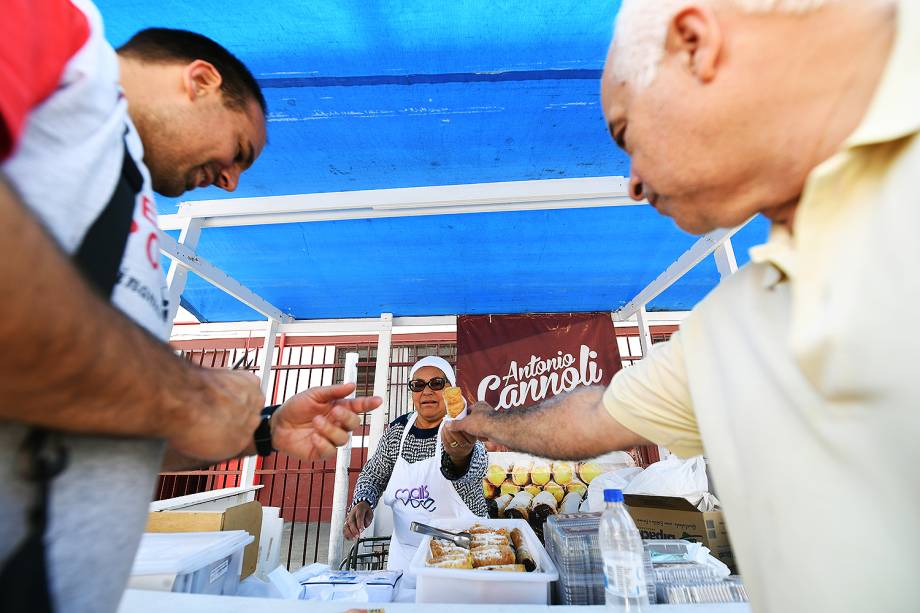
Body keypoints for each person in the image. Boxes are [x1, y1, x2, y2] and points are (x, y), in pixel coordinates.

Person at [450, 1, 919, 612]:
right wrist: (486, 422)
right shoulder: (734, 321)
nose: (633, 182)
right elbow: (594, 416)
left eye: (626, 135)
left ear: (694, 45)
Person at [0, 3, 380, 612]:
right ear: (201, 80)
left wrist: (262, 430)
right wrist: (190, 393)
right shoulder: (62, 31)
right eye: (240, 149)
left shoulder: (130, 209)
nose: (231, 181)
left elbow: (97, 406)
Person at [344, 356, 487, 575]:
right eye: (418, 385)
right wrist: (363, 501)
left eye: (437, 383)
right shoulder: (398, 430)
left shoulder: (461, 426)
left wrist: (460, 457)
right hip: (405, 557)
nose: (427, 392)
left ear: (450, 389)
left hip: (463, 554)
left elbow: (477, 466)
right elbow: (373, 474)